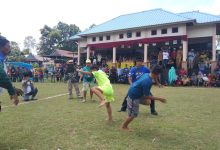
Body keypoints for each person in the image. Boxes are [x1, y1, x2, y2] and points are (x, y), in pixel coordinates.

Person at [121, 65, 166, 132]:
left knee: (148, 102)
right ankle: (124, 127)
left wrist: (158, 83)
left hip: (135, 92)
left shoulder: (147, 74)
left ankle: (133, 103)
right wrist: (159, 99)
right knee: (133, 114)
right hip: (134, 95)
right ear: (157, 74)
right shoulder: (147, 82)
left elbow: (153, 79)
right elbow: (146, 96)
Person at [0, 36, 22, 105]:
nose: (10, 48)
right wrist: (12, 91)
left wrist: (12, 88)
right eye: (8, 46)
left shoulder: (2, 60)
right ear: (1, 46)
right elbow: (2, 76)